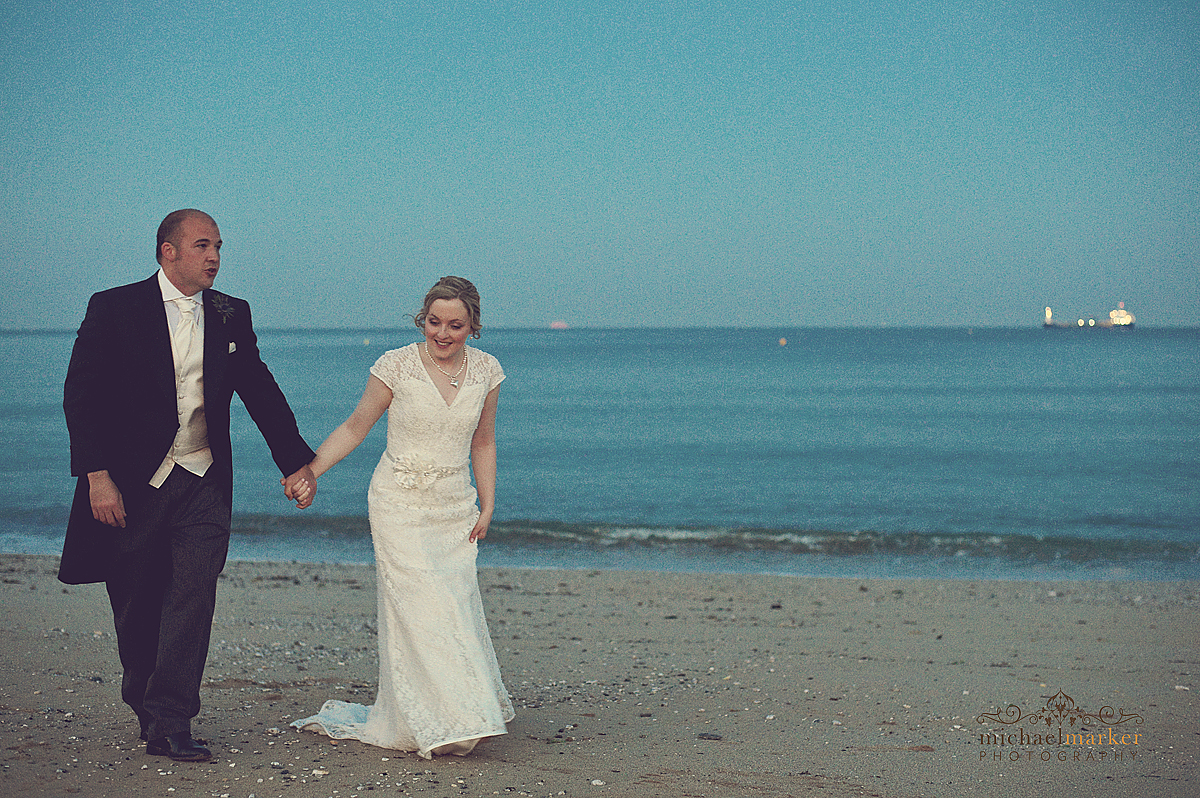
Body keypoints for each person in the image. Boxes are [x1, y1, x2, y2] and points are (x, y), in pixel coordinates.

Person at [61, 209, 317, 763]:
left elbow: (259, 388)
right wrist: (97, 477)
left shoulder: (231, 313)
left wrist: (296, 461)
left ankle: (173, 719)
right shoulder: (114, 308)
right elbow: (82, 395)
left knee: (193, 597)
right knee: (136, 603)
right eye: (202, 245)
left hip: (202, 480)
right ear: (168, 251)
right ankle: (146, 703)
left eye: (219, 246)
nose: (215, 257)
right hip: (131, 484)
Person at [290, 276, 514, 758]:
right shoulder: (395, 365)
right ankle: (436, 719)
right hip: (398, 503)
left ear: (472, 325)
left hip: (455, 507)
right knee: (420, 609)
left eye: (455, 324)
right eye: (434, 322)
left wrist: (488, 504)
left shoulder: (488, 371)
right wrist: (312, 469)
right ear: (423, 320)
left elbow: (484, 441)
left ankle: (459, 716)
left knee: (451, 608)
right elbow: (355, 427)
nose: (443, 333)